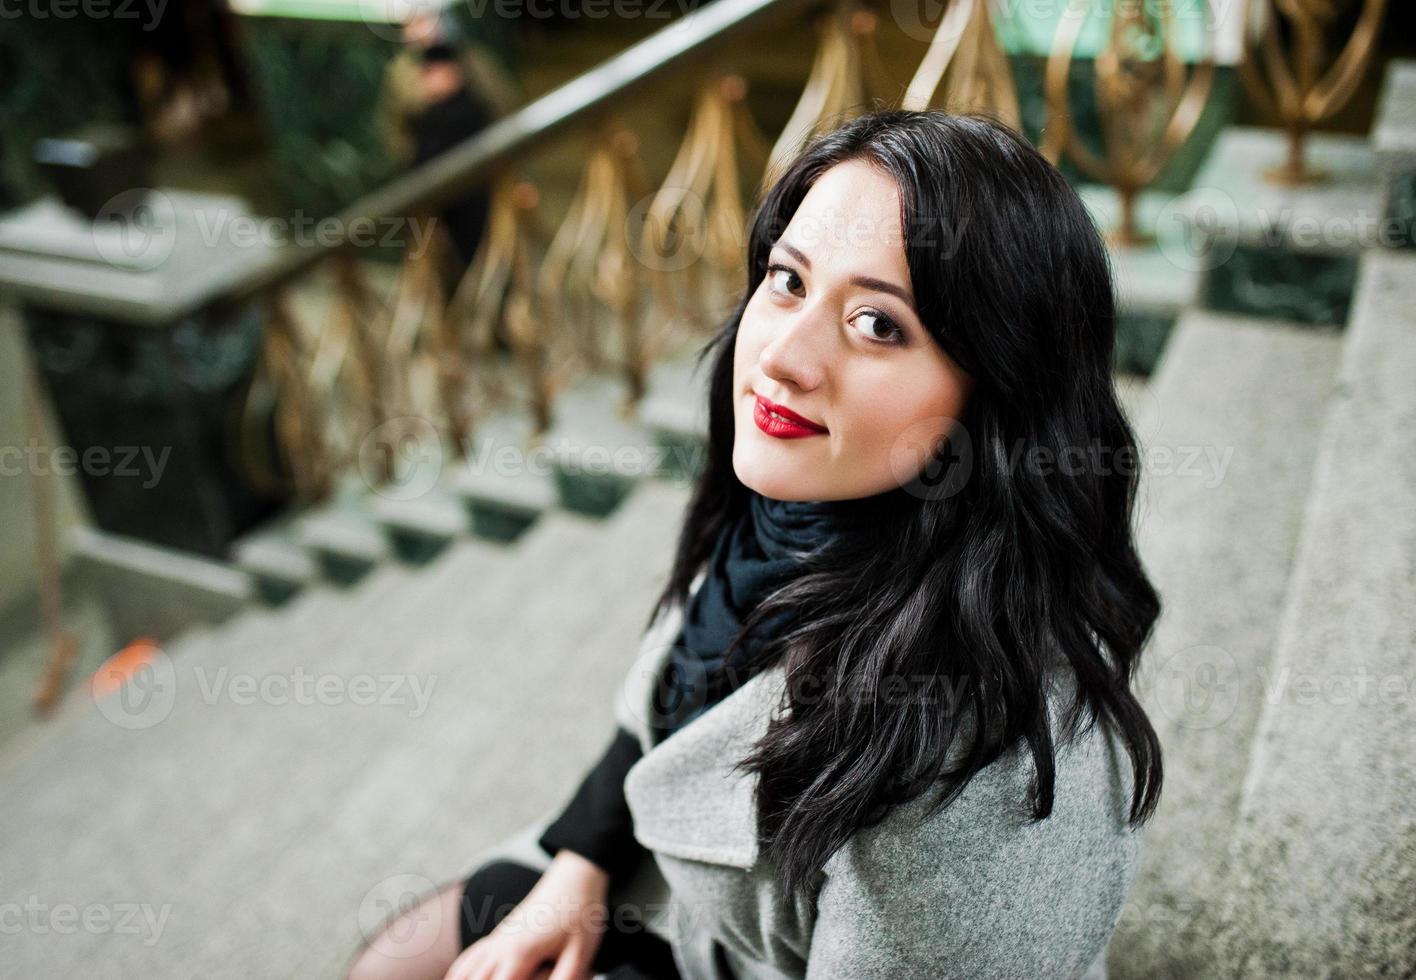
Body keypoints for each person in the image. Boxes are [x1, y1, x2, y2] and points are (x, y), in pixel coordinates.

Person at [342, 108, 1163, 980]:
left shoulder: (966, 783)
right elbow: (666, 714)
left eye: (879, 325)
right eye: (788, 280)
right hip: (671, 891)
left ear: (996, 396)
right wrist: (574, 871)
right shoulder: (796, 507)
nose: (783, 356)